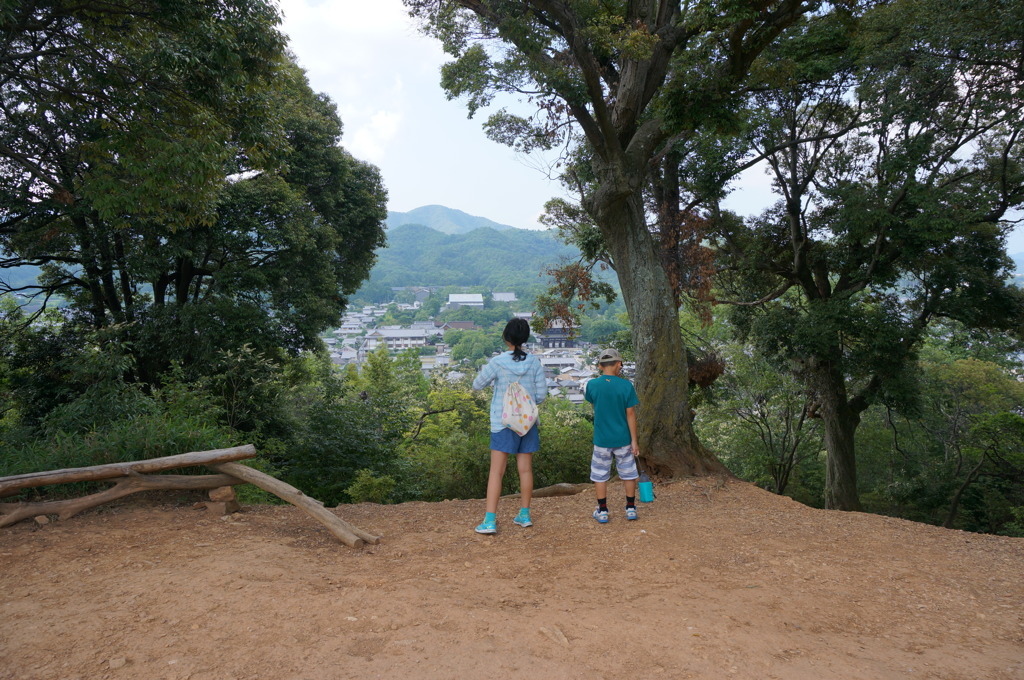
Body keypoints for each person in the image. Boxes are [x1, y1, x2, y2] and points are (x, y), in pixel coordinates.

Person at [471, 317, 547, 534]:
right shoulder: (534, 362)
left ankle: (490, 520)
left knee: (497, 472)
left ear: (506, 337)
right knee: (525, 470)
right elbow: (541, 395)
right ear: (524, 338)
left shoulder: (498, 362)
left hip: (503, 421)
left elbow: (477, 384)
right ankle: (524, 515)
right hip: (527, 422)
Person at [584, 347, 640, 523]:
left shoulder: (592, 385)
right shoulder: (626, 386)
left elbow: (594, 406)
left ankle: (602, 511)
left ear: (600, 366)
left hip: (602, 439)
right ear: (618, 364)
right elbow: (630, 415)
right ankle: (630, 508)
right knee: (629, 473)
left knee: (599, 475)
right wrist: (634, 442)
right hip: (623, 438)